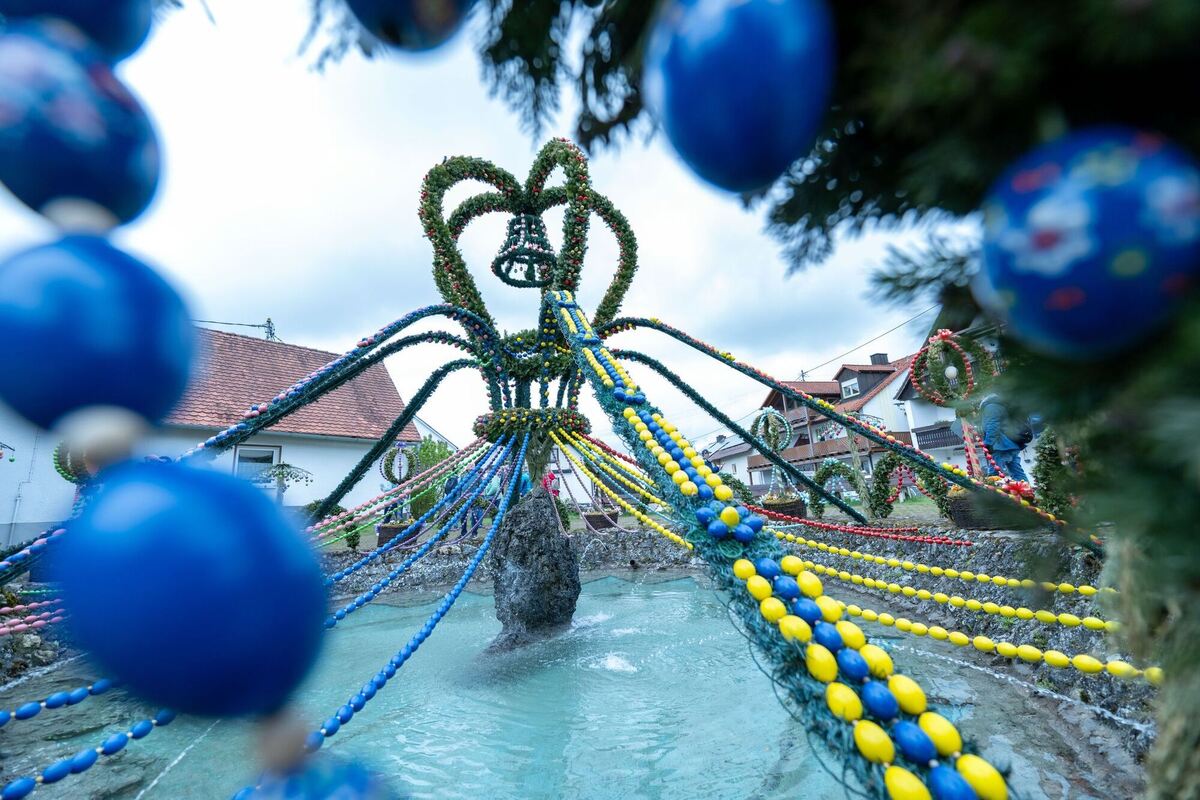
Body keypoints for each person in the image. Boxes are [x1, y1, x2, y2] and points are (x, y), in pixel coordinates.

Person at [978, 393, 1033, 482]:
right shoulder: (1003, 405)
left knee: (994, 475)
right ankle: (1027, 493)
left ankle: (994, 495)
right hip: (1013, 444)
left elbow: (992, 426)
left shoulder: (991, 406)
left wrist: (988, 444)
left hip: (1000, 446)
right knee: (1018, 474)